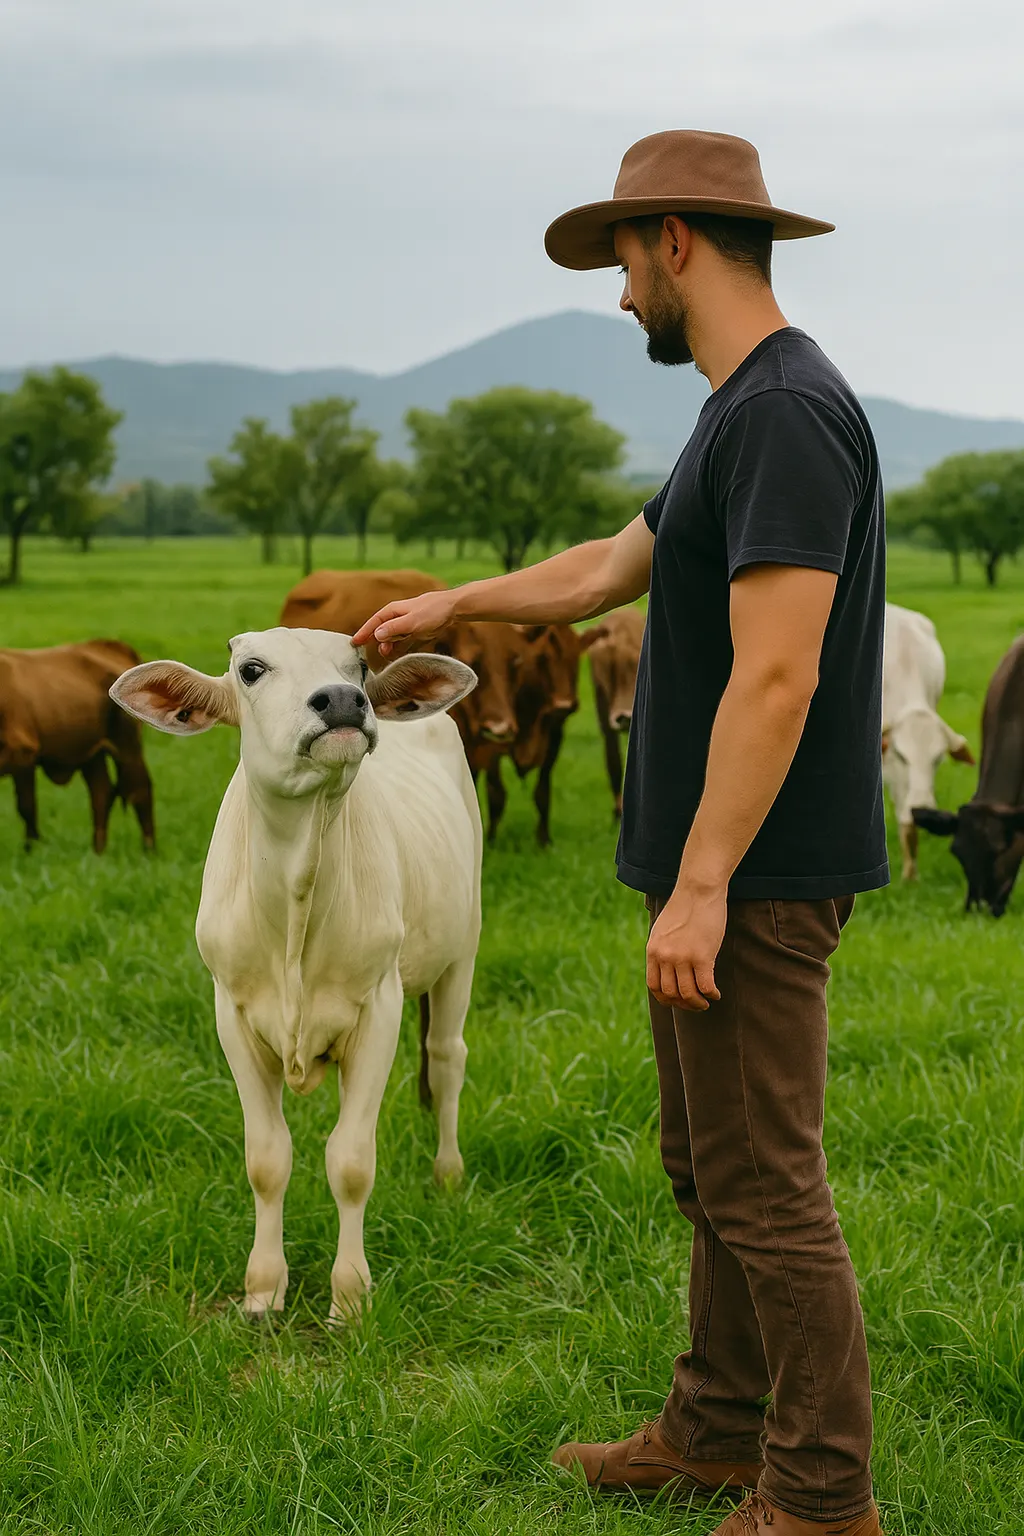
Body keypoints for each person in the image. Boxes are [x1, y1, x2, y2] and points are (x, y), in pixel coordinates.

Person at [353, 130, 887, 1536]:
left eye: (620, 264)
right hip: (714, 873)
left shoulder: (782, 413)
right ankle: (713, 1431)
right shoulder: (736, 408)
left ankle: (825, 1496)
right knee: (706, 1167)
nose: (618, 295)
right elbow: (608, 568)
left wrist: (705, 882)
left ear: (672, 241)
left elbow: (779, 673)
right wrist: (446, 602)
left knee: (768, 1188)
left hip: (757, 878)